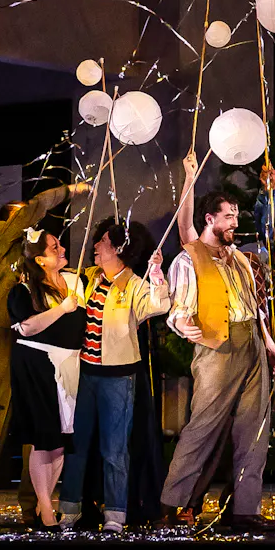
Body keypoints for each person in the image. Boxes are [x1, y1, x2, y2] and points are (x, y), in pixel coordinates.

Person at [158, 188, 275, 531]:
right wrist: (183, 324)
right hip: (217, 347)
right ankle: (174, 503)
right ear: (210, 219)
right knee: (202, 428)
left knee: (254, 430)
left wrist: (270, 346)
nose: (235, 221)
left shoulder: (240, 258)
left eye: (236, 215)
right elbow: (179, 308)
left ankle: (245, 509)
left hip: (253, 346)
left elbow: (257, 309)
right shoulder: (190, 258)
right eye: (229, 216)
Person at [0, 182, 88, 525]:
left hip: (36, 342)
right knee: (1, 413)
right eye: (24, 218)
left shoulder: (34, 263)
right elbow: (36, 208)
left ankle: (32, 503)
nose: (30, 224)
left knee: (36, 421)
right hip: (5, 332)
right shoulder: (1, 237)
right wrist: (71, 190)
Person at [58, 219, 169, 533]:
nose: (95, 246)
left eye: (103, 241)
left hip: (118, 379)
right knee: (76, 446)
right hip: (85, 375)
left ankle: (115, 516)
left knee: (114, 449)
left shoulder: (134, 284)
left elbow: (159, 305)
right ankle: (69, 511)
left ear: (119, 248)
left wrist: (157, 271)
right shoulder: (90, 278)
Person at [8, 229, 86, 529]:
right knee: (45, 438)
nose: (62, 249)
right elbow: (25, 327)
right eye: (55, 247)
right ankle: (45, 505)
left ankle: (46, 502)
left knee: (61, 440)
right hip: (37, 363)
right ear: (41, 260)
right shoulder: (25, 290)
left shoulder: (75, 282)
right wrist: (62, 309)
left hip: (69, 364)